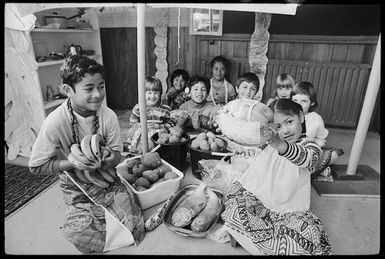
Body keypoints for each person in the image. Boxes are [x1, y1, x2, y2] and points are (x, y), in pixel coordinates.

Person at [28, 55, 145, 253]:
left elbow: (118, 155)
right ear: (67, 90)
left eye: (101, 86)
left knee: (133, 219)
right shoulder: (55, 122)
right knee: (79, 234)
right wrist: (72, 163)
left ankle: (114, 228)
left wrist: (111, 158)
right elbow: (36, 167)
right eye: (89, 88)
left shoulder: (108, 116)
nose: (98, 94)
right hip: (75, 184)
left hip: (106, 177)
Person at [222, 98, 332, 255]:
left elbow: (310, 160)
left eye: (289, 122)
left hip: (290, 211)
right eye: (278, 126)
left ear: (301, 117)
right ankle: (261, 243)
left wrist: (280, 144)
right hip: (260, 201)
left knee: (309, 235)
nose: (285, 131)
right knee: (233, 208)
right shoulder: (271, 144)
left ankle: (258, 243)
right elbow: (247, 141)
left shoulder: (309, 146)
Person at [292, 81, 343, 181]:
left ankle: (307, 174)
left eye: (303, 101)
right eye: (295, 100)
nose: (298, 104)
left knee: (334, 154)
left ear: (312, 102)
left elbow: (321, 139)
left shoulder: (316, 119)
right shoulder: (286, 114)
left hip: (307, 154)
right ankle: (302, 175)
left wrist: (314, 146)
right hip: (288, 153)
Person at [126, 75, 177, 154]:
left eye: (155, 93)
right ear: (143, 94)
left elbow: (172, 123)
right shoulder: (139, 107)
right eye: (149, 93)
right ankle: (137, 151)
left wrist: (161, 126)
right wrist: (139, 125)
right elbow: (133, 121)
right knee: (133, 137)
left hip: (158, 134)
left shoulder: (166, 109)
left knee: (163, 142)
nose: (152, 96)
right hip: (142, 132)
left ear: (160, 94)